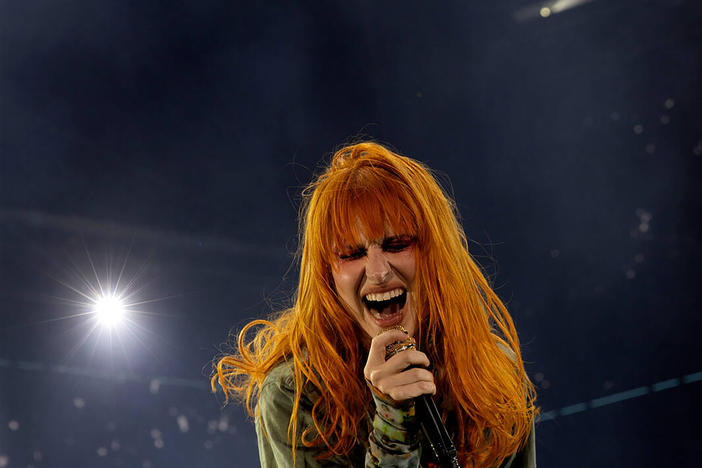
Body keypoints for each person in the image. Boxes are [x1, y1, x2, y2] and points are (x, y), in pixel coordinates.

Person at [212, 141, 537, 467]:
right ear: (328, 276)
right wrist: (393, 425)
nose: (379, 272)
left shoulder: (495, 374)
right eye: (352, 254)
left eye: (397, 244)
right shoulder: (295, 396)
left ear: (435, 254)